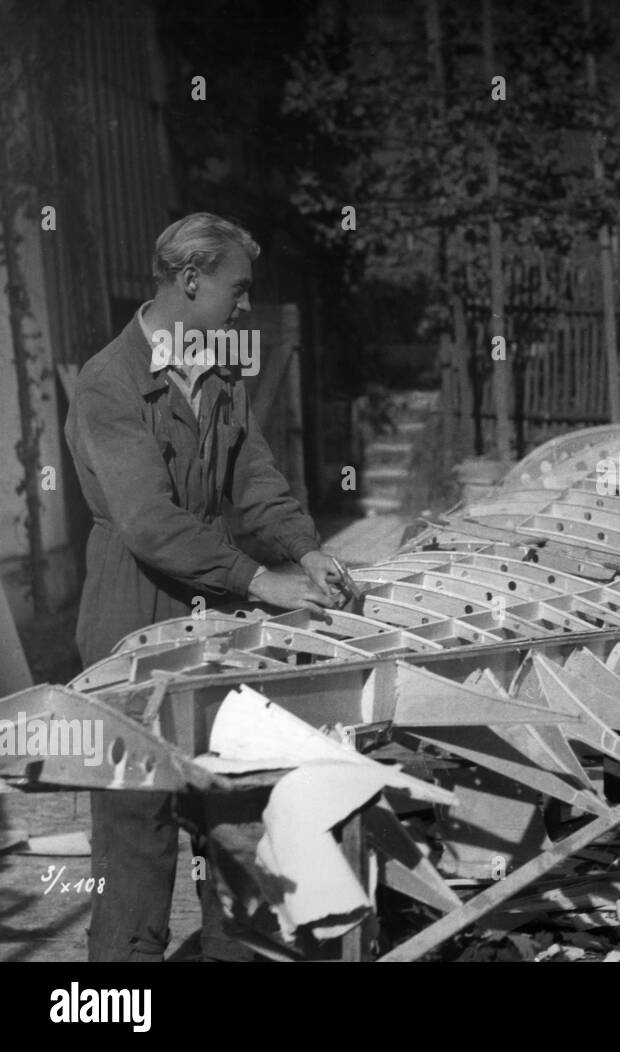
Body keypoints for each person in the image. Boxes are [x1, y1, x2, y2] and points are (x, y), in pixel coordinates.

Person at [65, 212, 344, 962]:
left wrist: (306, 551)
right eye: (238, 289)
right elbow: (149, 522)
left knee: (240, 804)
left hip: (210, 622)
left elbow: (252, 479)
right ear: (190, 280)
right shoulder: (109, 382)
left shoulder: (219, 370)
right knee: (137, 834)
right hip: (131, 622)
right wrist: (259, 579)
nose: (246, 306)